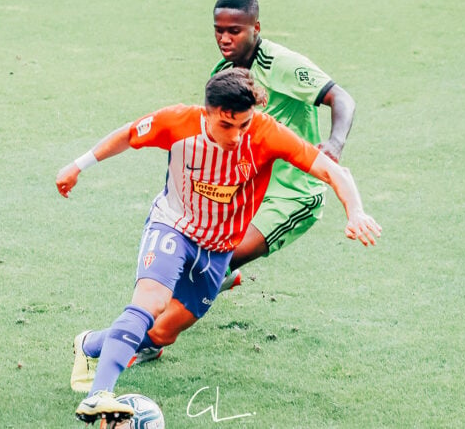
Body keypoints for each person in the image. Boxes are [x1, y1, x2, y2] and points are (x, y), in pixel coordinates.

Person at [58, 68, 380, 423]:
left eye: (243, 125)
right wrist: (78, 165)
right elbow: (129, 134)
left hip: (217, 251)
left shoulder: (266, 134)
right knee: (151, 302)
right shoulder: (177, 122)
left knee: (163, 333)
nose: (237, 135)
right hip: (174, 227)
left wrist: (356, 212)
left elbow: (335, 172)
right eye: (227, 126)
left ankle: (89, 345)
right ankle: (99, 394)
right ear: (207, 113)